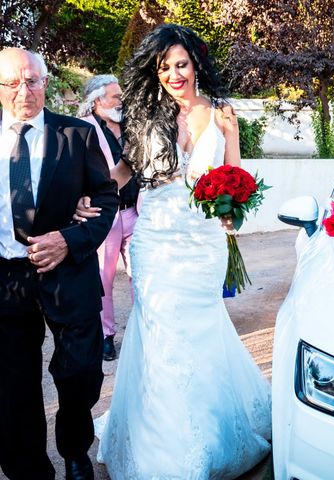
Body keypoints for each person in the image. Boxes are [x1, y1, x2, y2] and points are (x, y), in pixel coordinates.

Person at [79, 24, 271, 479]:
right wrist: (91, 193)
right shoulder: (148, 113)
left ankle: (211, 428)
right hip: (156, 240)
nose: (173, 75)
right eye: (164, 67)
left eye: (180, 64)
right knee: (162, 333)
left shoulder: (223, 113)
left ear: (196, 63)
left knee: (200, 330)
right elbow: (125, 169)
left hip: (202, 243)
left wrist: (231, 212)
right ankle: (168, 447)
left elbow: (236, 174)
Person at [0, 48, 119, 480]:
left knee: (81, 372)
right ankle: (28, 468)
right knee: (14, 384)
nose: (22, 91)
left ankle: (74, 450)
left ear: (46, 83)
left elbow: (106, 197)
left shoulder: (77, 134)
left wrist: (69, 240)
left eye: (31, 80)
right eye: (11, 83)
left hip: (68, 273)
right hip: (6, 278)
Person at [77, 74, 139, 361]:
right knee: (103, 279)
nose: (121, 100)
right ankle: (106, 336)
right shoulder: (83, 129)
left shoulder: (132, 127)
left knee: (141, 274)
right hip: (105, 217)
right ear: (98, 100)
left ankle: (144, 331)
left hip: (136, 211)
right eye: (116, 96)